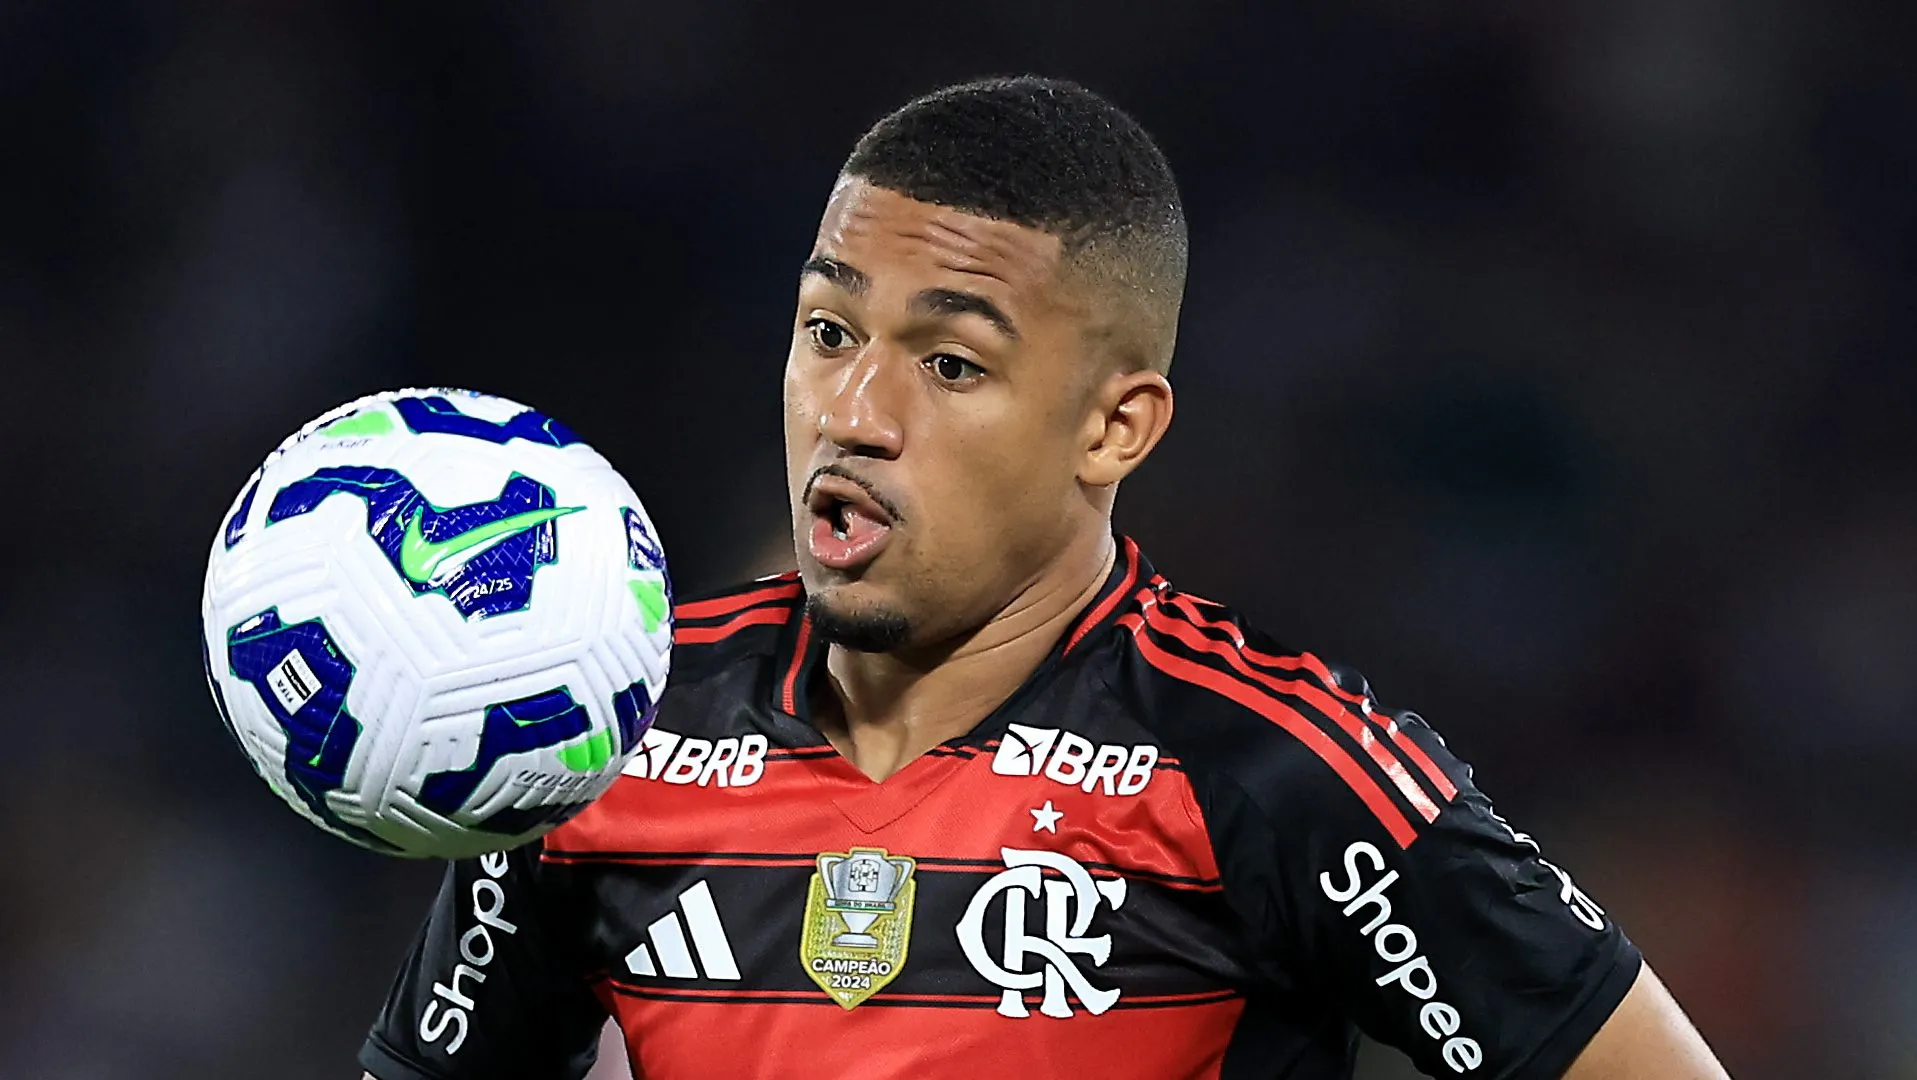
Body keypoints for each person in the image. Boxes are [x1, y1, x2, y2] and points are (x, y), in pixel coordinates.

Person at [359, 76, 1730, 1080]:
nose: (856, 413)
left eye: (952, 363)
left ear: (1113, 428)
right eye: (829, 331)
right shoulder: (605, 721)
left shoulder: (1275, 770)